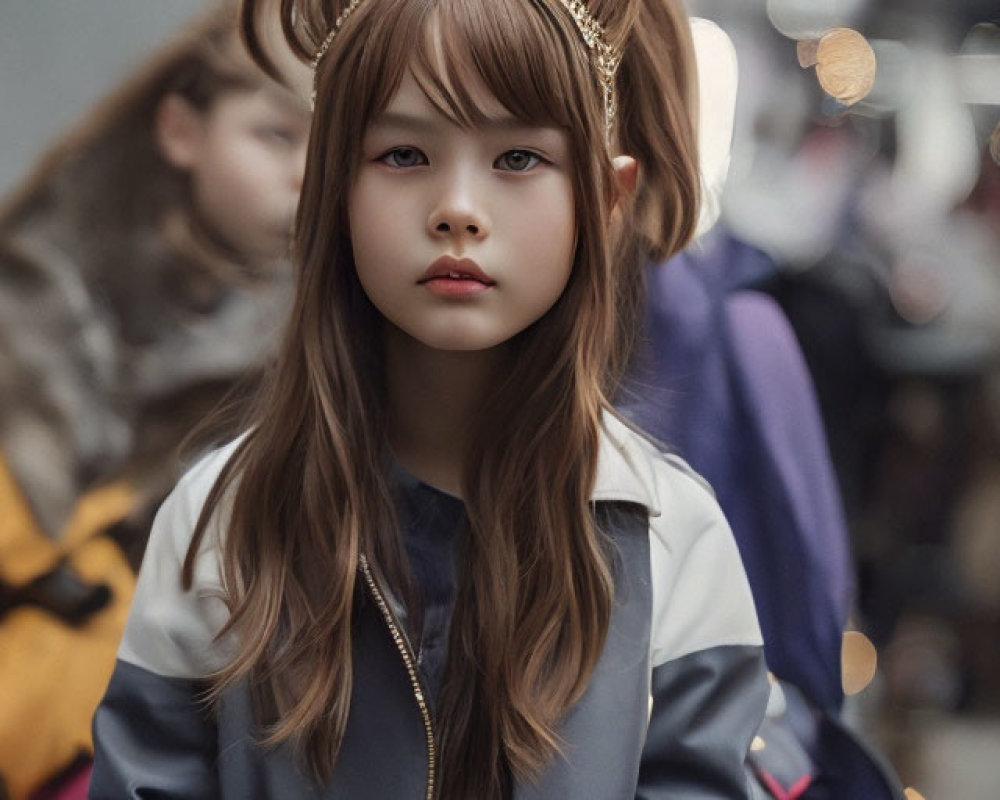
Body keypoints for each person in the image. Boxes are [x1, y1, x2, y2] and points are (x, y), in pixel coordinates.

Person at [90, 0, 769, 797]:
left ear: (608, 200)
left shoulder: (672, 539)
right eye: (404, 152)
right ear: (330, 189)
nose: (458, 210)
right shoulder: (220, 521)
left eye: (518, 158)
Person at [0, 3, 309, 796]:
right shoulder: (25, 293)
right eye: (279, 134)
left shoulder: (322, 368)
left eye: (339, 144)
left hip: (104, 747)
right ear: (181, 130)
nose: (310, 170)